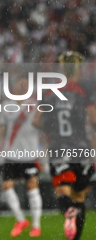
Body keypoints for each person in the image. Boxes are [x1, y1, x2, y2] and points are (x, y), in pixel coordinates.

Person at [32, 51, 96, 240]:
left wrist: (52, 128)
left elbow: (36, 121)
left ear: (61, 68)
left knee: (63, 192)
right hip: (81, 148)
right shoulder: (85, 89)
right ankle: (75, 232)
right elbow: (93, 119)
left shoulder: (50, 92)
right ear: (78, 67)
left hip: (59, 147)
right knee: (79, 197)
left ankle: (68, 211)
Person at [0, 74, 42, 237]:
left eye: (25, 85)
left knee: (32, 186)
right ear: (14, 87)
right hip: (11, 154)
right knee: (7, 186)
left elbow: (42, 127)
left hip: (29, 154)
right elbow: (1, 129)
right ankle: (21, 219)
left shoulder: (36, 106)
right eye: (20, 84)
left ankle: (36, 225)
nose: (23, 87)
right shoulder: (6, 106)